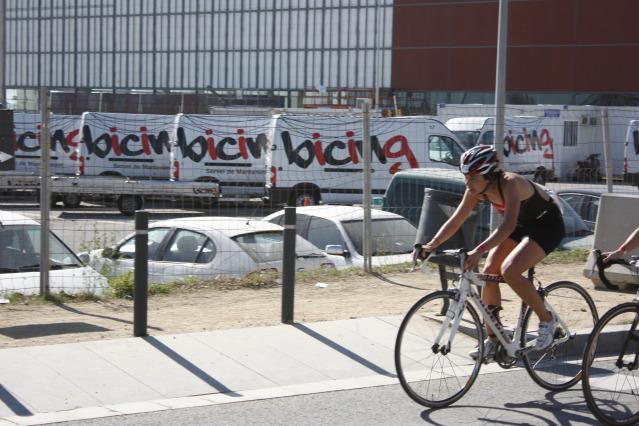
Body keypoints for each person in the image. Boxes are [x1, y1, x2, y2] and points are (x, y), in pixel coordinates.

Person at [419, 145, 566, 360]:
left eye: (473, 177)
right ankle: (494, 339)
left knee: (510, 270)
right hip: (521, 224)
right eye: (465, 177)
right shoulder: (476, 190)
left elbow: (506, 226)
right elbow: (457, 219)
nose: (468, 183)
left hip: (546, 225)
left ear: (489, 175)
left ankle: (547, 320)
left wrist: (478, 250)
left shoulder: (510, 183)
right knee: (488, 273)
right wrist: (431, 244)